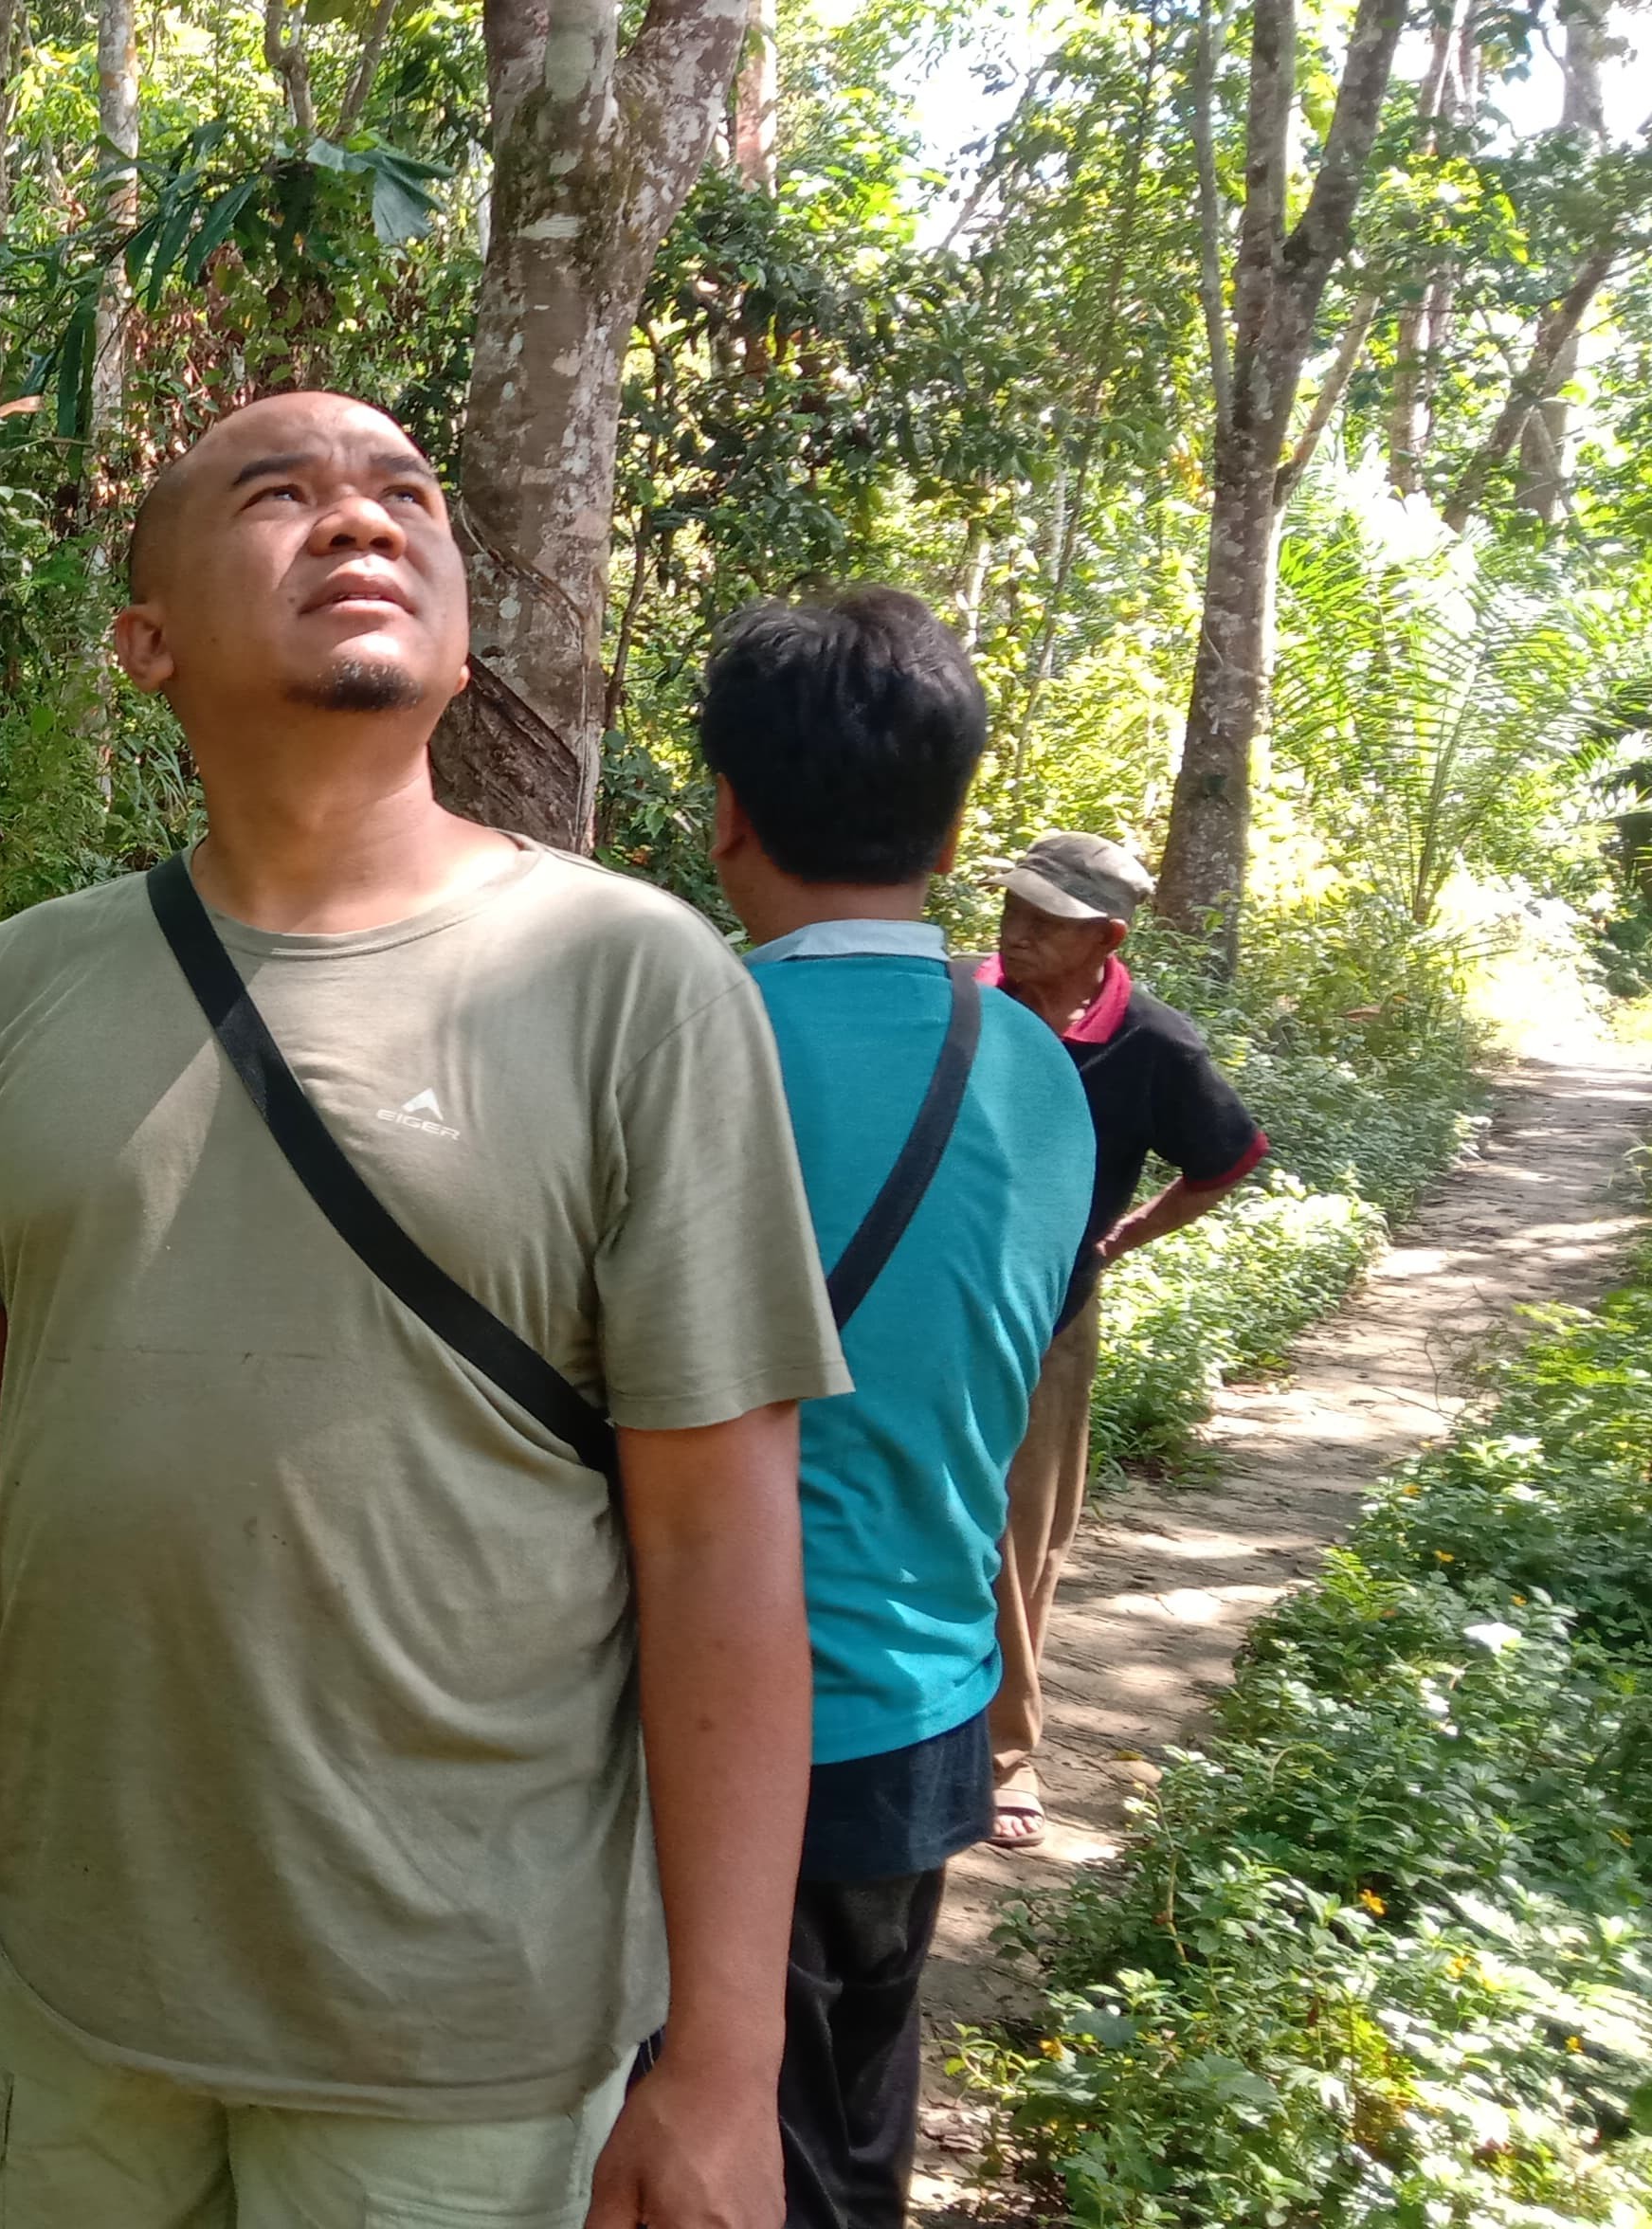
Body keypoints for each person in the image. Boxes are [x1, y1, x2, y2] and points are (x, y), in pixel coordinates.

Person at [0, 391, 847, 2229]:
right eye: (280, 493)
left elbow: (719, 1543)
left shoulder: (632, 986)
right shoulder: (22, 990)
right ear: (146, 641)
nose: (362, 519)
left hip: (459, 2034)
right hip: (76, 1995)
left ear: (460, 638)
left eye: (406, 495)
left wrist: (724, 2058)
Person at [699, 592, 1093, 2228]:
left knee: (698, 2141)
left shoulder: (687, 1046)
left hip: (701, 1735)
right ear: (947, 831)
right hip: (928, 1714)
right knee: (853, 2130)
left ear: (726, 811)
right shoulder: (1039, 1073)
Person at [972, 831, 1263, 1847]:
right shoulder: (960, 1000)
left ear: (1107, 938)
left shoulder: (1151, 1044)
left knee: (1022, 1530)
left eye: (1045, 921)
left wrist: (1125, 1234)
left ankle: (1004, 1753)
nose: (1015, 934)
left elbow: (1226, 1158)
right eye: (1011, 909)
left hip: (1048, 1315)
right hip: (920, 1297)